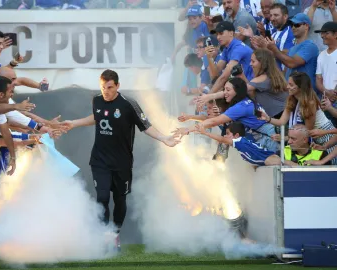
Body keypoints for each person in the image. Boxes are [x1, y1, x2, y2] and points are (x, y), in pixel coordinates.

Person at [62, 70, 179, 250]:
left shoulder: (128, 104)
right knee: (101, 197)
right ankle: (105, 235)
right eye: (103, 88)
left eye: (109, 88)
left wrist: (164, 138)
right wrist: (74, 123)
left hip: (122, 162)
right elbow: (98, 116)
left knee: (120, 200)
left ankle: (115, 232)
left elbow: (145, 126)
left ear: (117, 86)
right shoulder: (97, 100)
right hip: (99, 159)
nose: (106, 92)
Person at [175, 77, 279, 152]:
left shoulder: (240, 107)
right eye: (224, 89)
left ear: (237, 91)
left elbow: (213, 121)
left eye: (227, 90)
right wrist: (209, 97)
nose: (224, 93)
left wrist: (187, 130)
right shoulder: (244, 99)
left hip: (269, 139)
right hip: (270, 135)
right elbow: (210, 118)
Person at [259, 72, 337, 164]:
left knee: (329, 166)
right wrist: (268, 119)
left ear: (300, 87)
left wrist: (286, 138)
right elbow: (282, 121)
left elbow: (307, 131)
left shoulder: (310, 103)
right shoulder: (292, 99)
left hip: (325, 136)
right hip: (313, 138)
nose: (287, 87)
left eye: (291, 84)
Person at [261, 13, 319, 93]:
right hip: (293, 95)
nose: (293, 27)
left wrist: (274, 49)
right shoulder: (292, 49)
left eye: (297, 25)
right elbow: (284, 74)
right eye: (291, 25)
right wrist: (265, 49)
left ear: (306, 26)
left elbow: (291, 63)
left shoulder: (309, 46)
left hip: (307, 96)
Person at [195, 121, 280, 166]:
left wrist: (205, 133)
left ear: (236, 135)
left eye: (228, 134)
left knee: (284, 163)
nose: (225, 136)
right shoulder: (241, 143)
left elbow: (222, 139)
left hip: (270, 158)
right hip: (268, 158)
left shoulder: (239, 141)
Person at [209, 21, 254, 93]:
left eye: (221, 33)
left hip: (251, 88)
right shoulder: (226, 48)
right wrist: (210, 58)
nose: (218, 37)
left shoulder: (238, 48)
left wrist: (208, 97)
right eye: (217, 34)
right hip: (242, 86)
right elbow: (215, 74)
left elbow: (223, 77)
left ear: (231, 33)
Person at [315, 21, 337, 126]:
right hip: (326, 100)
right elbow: (318, 80)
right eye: (322, 33)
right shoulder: (321, 55)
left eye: (326, 33)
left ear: (335, 34)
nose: (322, 36)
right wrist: (328, 93)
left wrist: (334, 94)